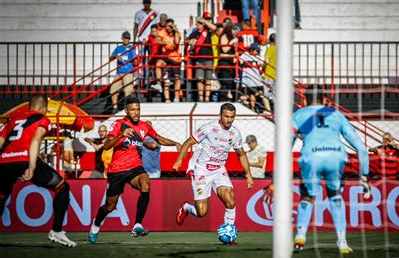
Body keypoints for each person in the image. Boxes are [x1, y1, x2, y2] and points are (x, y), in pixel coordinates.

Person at [88, 96, 181, 243]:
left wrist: (175, 143)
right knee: (110, 206)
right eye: (133, 110)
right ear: (126, 111)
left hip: (135, 168)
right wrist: (121, 135)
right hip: (116, 171)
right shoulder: (119, 124)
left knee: (146, 183)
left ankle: (137, 224)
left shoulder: (144, 126)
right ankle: (96, 224)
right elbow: (106, 146)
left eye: (138, 109)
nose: (136, 112)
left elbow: (159, 139)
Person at [291, 85, 370, 254]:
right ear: (325, 99)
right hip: (336, 157)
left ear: (304, 100)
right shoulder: (337, 115)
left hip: (311, 157)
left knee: (307, 197)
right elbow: (361, 148)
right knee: (335, 196)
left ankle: (300, 236)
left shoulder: (298, 115)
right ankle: (342, 242)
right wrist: (364, 174)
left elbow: (286, 143)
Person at [0, 95, 76, 247]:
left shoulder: (13, 120)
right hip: (24, 160)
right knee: (62, 187)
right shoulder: (43, 119)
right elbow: (35, 140)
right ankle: (57, 230)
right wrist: (32, 166)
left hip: (4, 162)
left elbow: (1, 141)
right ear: (45, 109)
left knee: (1, 196)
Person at [173, 103, 254, 235]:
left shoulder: (235, 133)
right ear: (220, 115)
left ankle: (228, 233)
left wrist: (248, 174)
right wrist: (179, 160)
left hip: (219, 170)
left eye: (232, 117)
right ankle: (187, 208)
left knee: (230, 200)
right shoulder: (208, 128)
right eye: (226, 116)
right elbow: (188, 142)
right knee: (202, 212)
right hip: (201, 170)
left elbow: (241, 154)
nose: (229, 120)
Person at [186, 13, 217, 102]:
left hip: (209, 58)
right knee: (199, 79)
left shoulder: (208, 31)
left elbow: (215, 28)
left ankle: (207, 98)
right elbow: (186, 39)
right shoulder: (195, 32)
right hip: (199, 59)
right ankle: (201, 97)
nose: (198, 25)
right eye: (197, 23)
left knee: (208, 80)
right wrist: (190, 41)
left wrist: (205, 21)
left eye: (200, 23)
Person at [110, 31, 137, 112]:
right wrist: (115, 56)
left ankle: (127, 108)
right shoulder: (118, 48)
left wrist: (126, 61)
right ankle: (115, 108)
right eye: (125, 38)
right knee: (113, 89)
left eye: (128, 38)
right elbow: (110, 58)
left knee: (128, 90)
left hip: (128, 72)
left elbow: (135, 62)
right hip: (119, 72)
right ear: (122, 38)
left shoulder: (132, 48)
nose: (126, 39)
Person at [157, 18, 183, 103]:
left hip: (176, 58)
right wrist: (164, 43)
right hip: (166, 57)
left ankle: (176, 98)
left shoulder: (178, 33)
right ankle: (160, 87)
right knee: (165, 77)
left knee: (177, 78)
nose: (168, 28)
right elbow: (156, 40)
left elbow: (176, 43)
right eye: (167, 26)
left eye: (170, 26)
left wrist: (175, 31)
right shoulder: (163, 32)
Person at [239, 42, 267, 112]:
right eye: (256, 51)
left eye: (258, 51)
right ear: (252, 50)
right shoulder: (245, 55)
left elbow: (261, 65)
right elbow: (239, 61)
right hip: (249, 79)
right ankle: (252, 109)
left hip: (256, 79)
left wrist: (265, 64)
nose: (257, 52)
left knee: (259, 92)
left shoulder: (257, 57)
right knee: (252, 94)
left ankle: (242, 99)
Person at [217, 24, 239, 101]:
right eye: (233, 29)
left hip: (229, 63)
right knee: (226, 82)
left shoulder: (231, 38)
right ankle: (222, 99)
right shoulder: (224, 36)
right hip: (224, 62)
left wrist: (234, 55)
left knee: (230, 82)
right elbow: (225, 49)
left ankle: (228, 98)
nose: (234, 31)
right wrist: (232, 42)